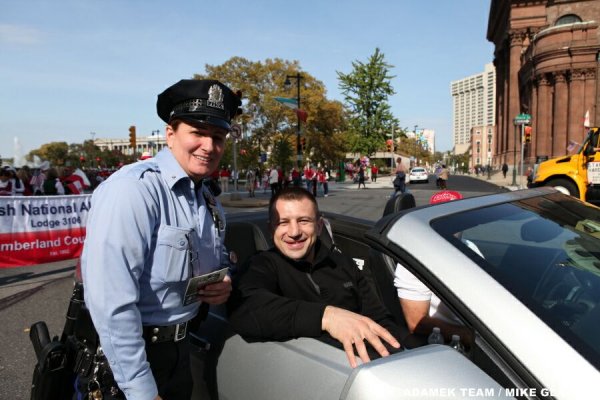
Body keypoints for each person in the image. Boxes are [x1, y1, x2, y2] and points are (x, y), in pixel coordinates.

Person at [80, 79, 241, 400]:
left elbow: (216, 259)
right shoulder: (133, 190)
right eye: (197, 132)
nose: (209, 146)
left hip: (182, 350)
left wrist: (224, 281)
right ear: (170, 134)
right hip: (133, 360)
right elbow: (111, 302)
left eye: (218, 137)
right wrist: (139, 388)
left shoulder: (208, 197)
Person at [229, 187, 402, 368]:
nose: (294, 232)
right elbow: (245, 309)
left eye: (304, 221)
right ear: (271, 229)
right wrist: (326, 317)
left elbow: (380, 318)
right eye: (283, 222)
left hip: (367, 368)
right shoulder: (260, 266)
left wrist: (388, 353)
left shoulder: (342, 263)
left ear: (319, 226)